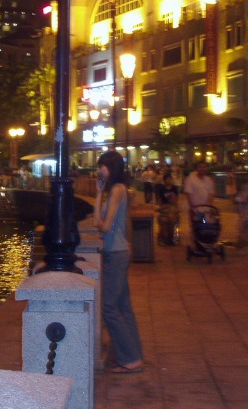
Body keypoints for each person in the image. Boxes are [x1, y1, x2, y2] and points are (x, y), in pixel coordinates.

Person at [92, 150, 144, 374]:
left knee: (109, 308)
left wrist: (101, 221)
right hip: (118, 252)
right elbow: (97, 221)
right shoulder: (114, 190)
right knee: (124, 307)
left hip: (115, 253)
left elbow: (103, 226)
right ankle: (135, 355)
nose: (99, 170)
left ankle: (130, 358)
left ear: (110, 167)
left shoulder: (118, 190)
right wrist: (98, 193)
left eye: (102, 166)